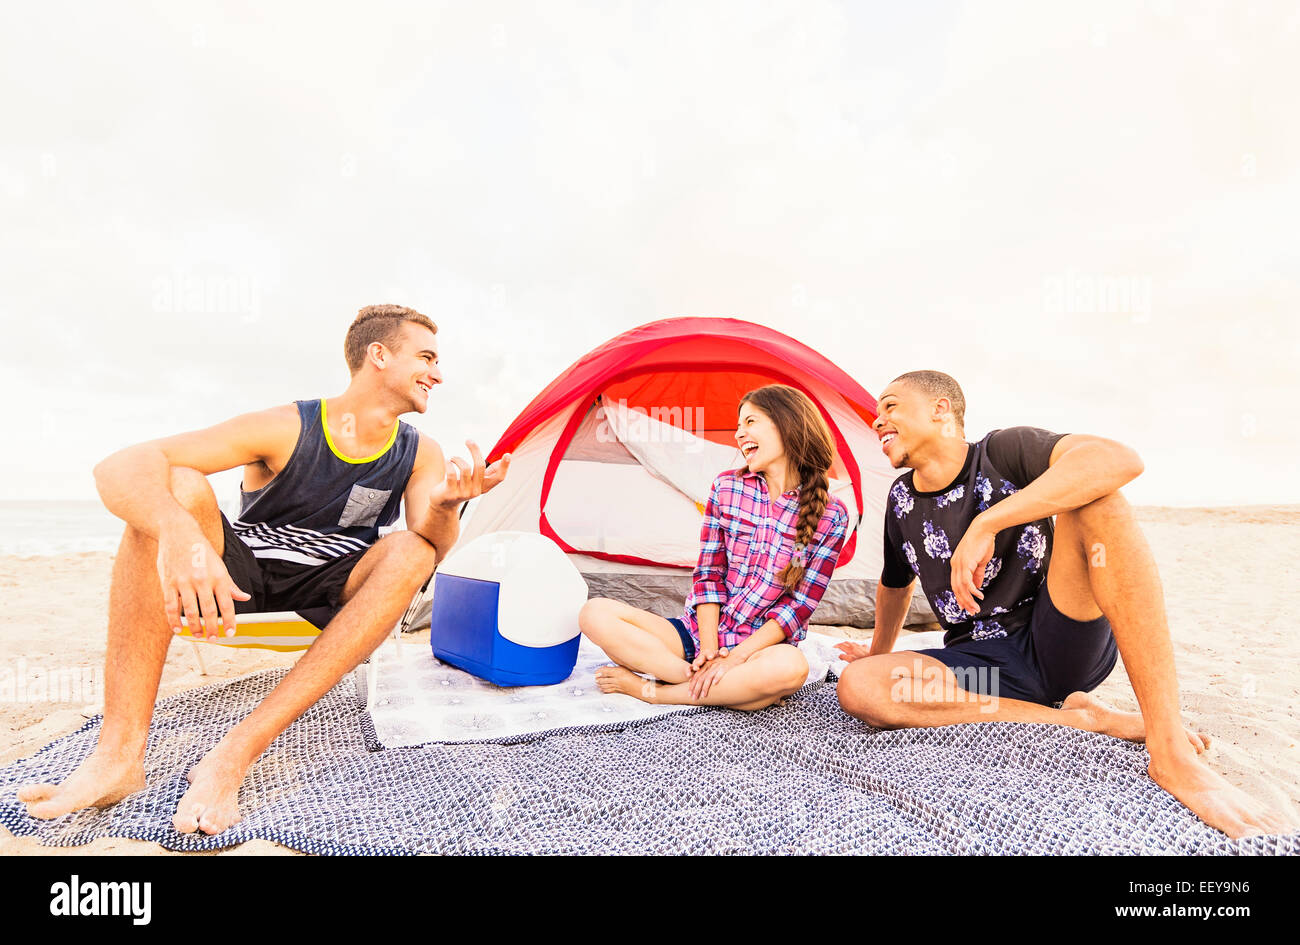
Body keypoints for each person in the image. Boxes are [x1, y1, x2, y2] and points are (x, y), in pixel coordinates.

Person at [19, 304, 509, 836]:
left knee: (411, 550)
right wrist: (179, 532)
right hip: (241, 574)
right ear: (379, 355)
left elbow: (432, 547)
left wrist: (444, 508)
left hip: (335, 588)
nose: (438, 373)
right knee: (177, 483)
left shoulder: (420, 452)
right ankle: (117, 756)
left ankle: (233, 754)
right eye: (426, 357)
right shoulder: (287, 426)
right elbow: (121, 466)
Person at [835, 370, 1295, 839]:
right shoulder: (900, 500)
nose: (877, 420)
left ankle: (1169, 746)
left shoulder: (1003, 453)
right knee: (861, 686)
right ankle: (1082, 720)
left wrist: (986, 525)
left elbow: (1117, 460)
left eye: (890, 406)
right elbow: (896, 585)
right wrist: (879, 651)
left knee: (1098, 501)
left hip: (1057, 635)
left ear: (941, 409)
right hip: (982, 670)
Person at [580, 384, 849, 709]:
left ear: (787, 423)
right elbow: (709, 576)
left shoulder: (832, 515)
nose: (739, 434)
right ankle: (706, 683)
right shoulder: (727, 488)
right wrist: (709, 652)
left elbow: (799, 607)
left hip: (756, 650)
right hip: (696, 636)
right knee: (594, 613)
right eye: (738, 426)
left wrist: (735, 658)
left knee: (790, 668)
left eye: (750, 422)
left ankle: (655, 691)